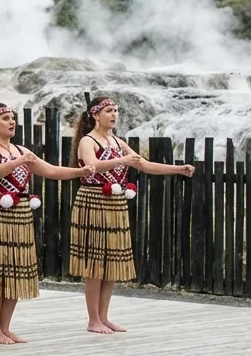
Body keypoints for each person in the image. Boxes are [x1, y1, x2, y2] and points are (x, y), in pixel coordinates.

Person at [70, 94, 194, 334]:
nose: (114, 114)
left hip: (115, 203)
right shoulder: (88, 141)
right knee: (96, 263)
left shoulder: (117, 142)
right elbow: (91, 165)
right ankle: (93, 319)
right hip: (94, 200)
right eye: (108, 111)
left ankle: (104, 317)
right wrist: (122, 159)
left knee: (112, 262)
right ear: (95, 115)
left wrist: (178, 169)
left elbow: (143, 165)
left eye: (116, 110)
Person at [0, 102, 83, 345]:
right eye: (6, 118)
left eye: (13, 118)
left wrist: (80, 173)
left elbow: (51, 171)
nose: (12, 122)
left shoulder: (20, 150)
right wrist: (20, 161)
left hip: (19, 214)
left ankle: (5, 327)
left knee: (15, 271)